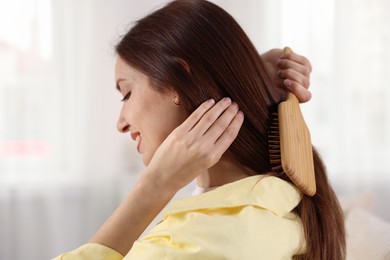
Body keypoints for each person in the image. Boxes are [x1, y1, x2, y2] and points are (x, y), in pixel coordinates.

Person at [55, 0, 345, 259]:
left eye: (126, 93)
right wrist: (245, 76)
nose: (121, 123)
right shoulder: (278, 202)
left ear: (177, 81)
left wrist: (153, 187)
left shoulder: (194, 241)